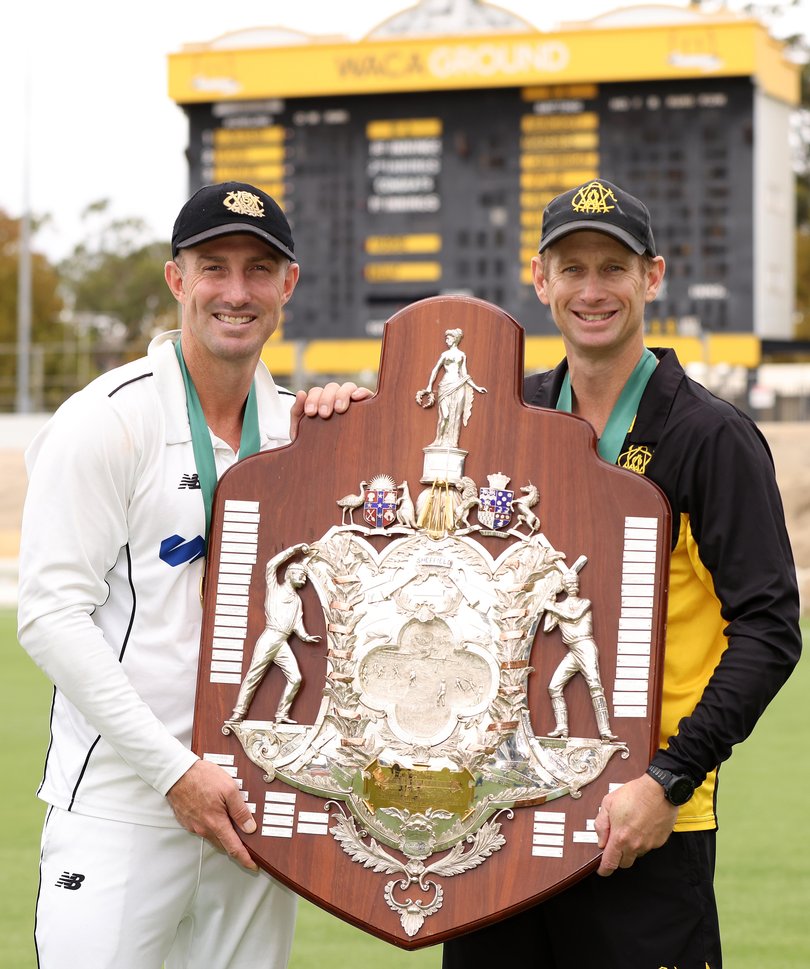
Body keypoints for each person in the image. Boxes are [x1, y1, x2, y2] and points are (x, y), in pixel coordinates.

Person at [442, 178, 801, 968]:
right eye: (573, 269)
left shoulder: (711, 435)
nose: (593, 289)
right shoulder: (509, 417)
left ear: (654, 276)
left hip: (641, 821)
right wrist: (325, 409)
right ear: (540, 280)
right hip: (499, 816)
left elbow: (771, 631)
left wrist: (668, 778)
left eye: (615, 267)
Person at [17, 181, 368, 969]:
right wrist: (176, 771)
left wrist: (362, 431)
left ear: (289, 285)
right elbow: (48, 614)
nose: (236, 292)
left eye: (258, 269)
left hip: (255, 809)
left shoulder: (302, 433)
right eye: (215, 267)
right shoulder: (109, 420)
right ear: (178, 280)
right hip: (124, 807)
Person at [229, 543, 321, 725]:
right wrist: (294, 550)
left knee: (296, 678)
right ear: (289, 574)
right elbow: (271, 565)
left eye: (305, 576)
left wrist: (306, 637)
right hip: (270, 637)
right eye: (300, 575)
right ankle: (238, 714)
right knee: (254, 675)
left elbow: (297, 624)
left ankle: (281, 715)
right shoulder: (275, 588)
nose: (303, 579)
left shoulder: (297, 600)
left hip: (282, 642)